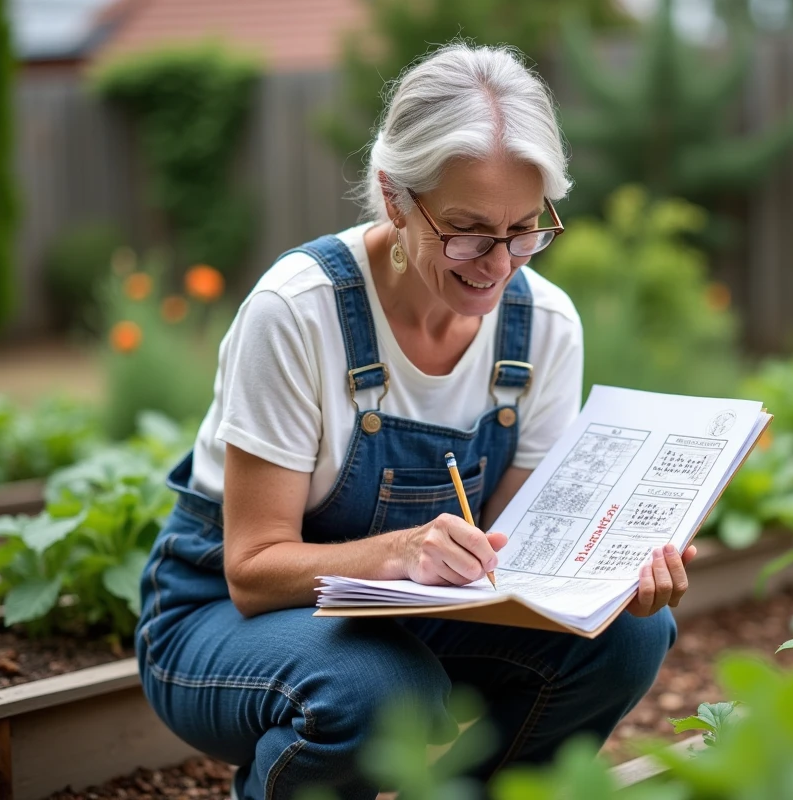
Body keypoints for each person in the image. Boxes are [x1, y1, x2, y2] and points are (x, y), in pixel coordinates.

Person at [135, 42, 695, 800]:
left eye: (525, 230)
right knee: (380, 691)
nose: (497, 262)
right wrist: (404, 550)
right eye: (467, 229)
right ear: (394, 196)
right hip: (222, 621)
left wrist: (608, 572)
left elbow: (511, 560)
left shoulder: (544, 327)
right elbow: (253, 571)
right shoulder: (299, 312)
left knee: (629, 639)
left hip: (417, 614)